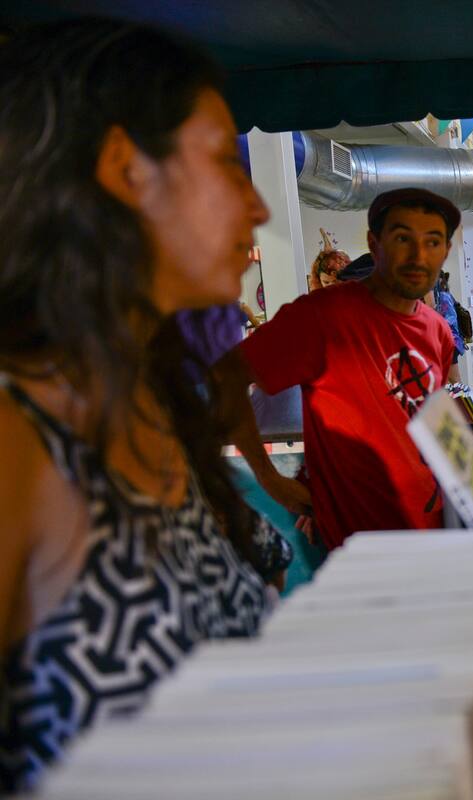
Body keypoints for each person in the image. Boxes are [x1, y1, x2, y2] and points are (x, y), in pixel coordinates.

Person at [0, 20, 292, 790]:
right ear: (127, 169)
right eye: (228, 165)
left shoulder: (149, 392)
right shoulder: (17, 433)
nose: (258, 207)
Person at [215, 188, 460, 552]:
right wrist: (271, 479)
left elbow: (417, 422)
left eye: (433, 241)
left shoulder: (436, 330)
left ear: (445, 252)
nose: (418, 256)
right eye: (403, 238)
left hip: (435, 530)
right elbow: (227, 376)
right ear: (374, 245)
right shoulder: (322, 316)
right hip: (360, 548)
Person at [426, 270, 466, 366]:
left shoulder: (443, 297)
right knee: (449, 378)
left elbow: (450, 320)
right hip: (447, 341)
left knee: (454, 379)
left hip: (449, 341)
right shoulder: (443, 297)